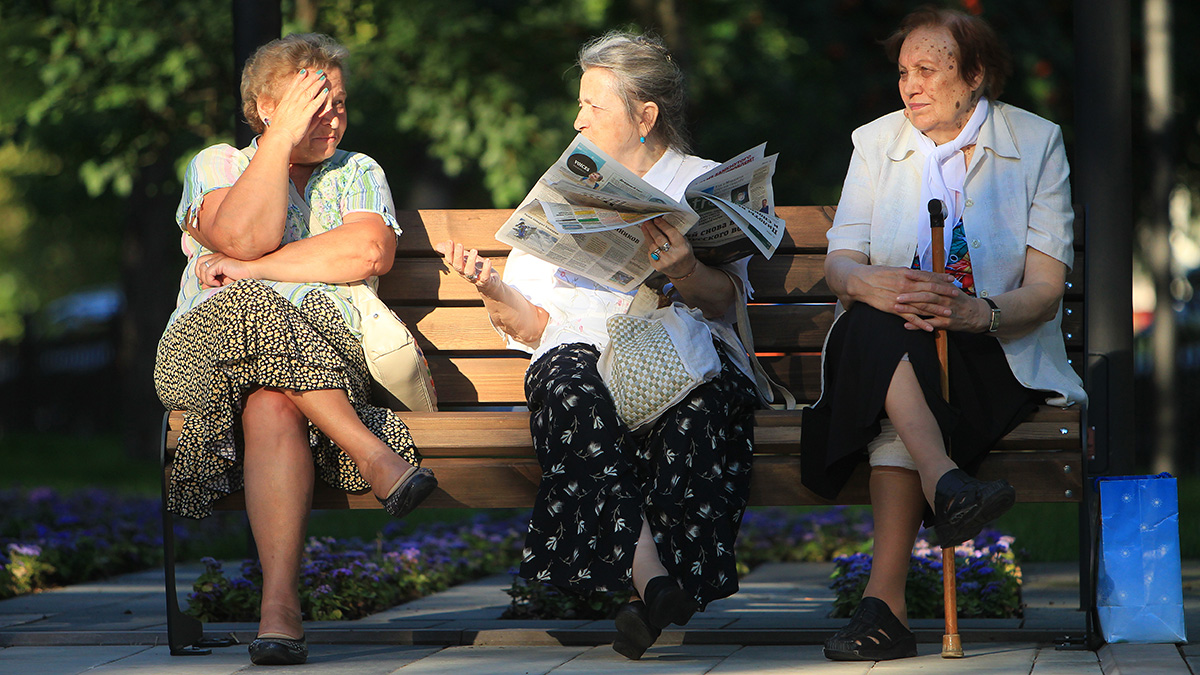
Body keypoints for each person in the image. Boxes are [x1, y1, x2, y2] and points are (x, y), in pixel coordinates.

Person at [435, 31, 761, 660]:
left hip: (675, 347)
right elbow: (533, 328)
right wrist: (490, 286)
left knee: (696, 408)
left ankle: (650, 595)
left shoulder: (699, 183)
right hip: (578, 348)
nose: (578, 118)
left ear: (646, 117)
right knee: (565, 385)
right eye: (580, 104)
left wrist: (687, 269)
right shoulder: (564, 182)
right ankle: (655, 580)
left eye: (594, 106)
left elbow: (724, 305)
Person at [799, 8, 1086, 661]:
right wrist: (868, 283)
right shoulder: (875, 142)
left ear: (976, 75)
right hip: (897, 347)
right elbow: (842, 263)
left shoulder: (1035, 142)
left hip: (993, 354)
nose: (910, 86)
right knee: (874, 323)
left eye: (927, 70)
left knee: (882, 368)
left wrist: (973, 313)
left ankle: (887, 608)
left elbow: (1043, 290)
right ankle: (947, 483)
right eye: (903, 71)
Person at [154, 33, 437, 666]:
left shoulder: (359, 172)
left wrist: (248, 269)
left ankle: (279, 609)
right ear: (265, 106)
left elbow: (365, 253)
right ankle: (373, 454)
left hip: (327, 356)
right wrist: (279, 141)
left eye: (337, 102)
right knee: (246, 310)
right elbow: (243, 233)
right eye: (311, 103)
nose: (328, 116)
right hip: (206, 358)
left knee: (272, 403)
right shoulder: (216, 166)